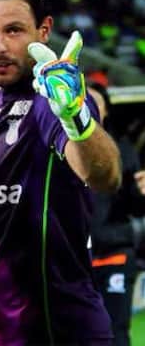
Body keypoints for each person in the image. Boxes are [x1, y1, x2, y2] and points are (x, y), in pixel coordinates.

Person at [0, 0, 121, 345]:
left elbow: (105, 176)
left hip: (61, 332)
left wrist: (74, 117)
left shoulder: (50, 100)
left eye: (13, 30)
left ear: (44, 31)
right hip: (0, 332)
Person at [88, 83, 145, 346]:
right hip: (72, 261)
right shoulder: (56, 147)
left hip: (114, 255)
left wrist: (142, 193)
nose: (88, 107)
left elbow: (136, 207)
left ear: (106, 110)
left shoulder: (121, 149)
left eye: (94, 102)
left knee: (115, 332)